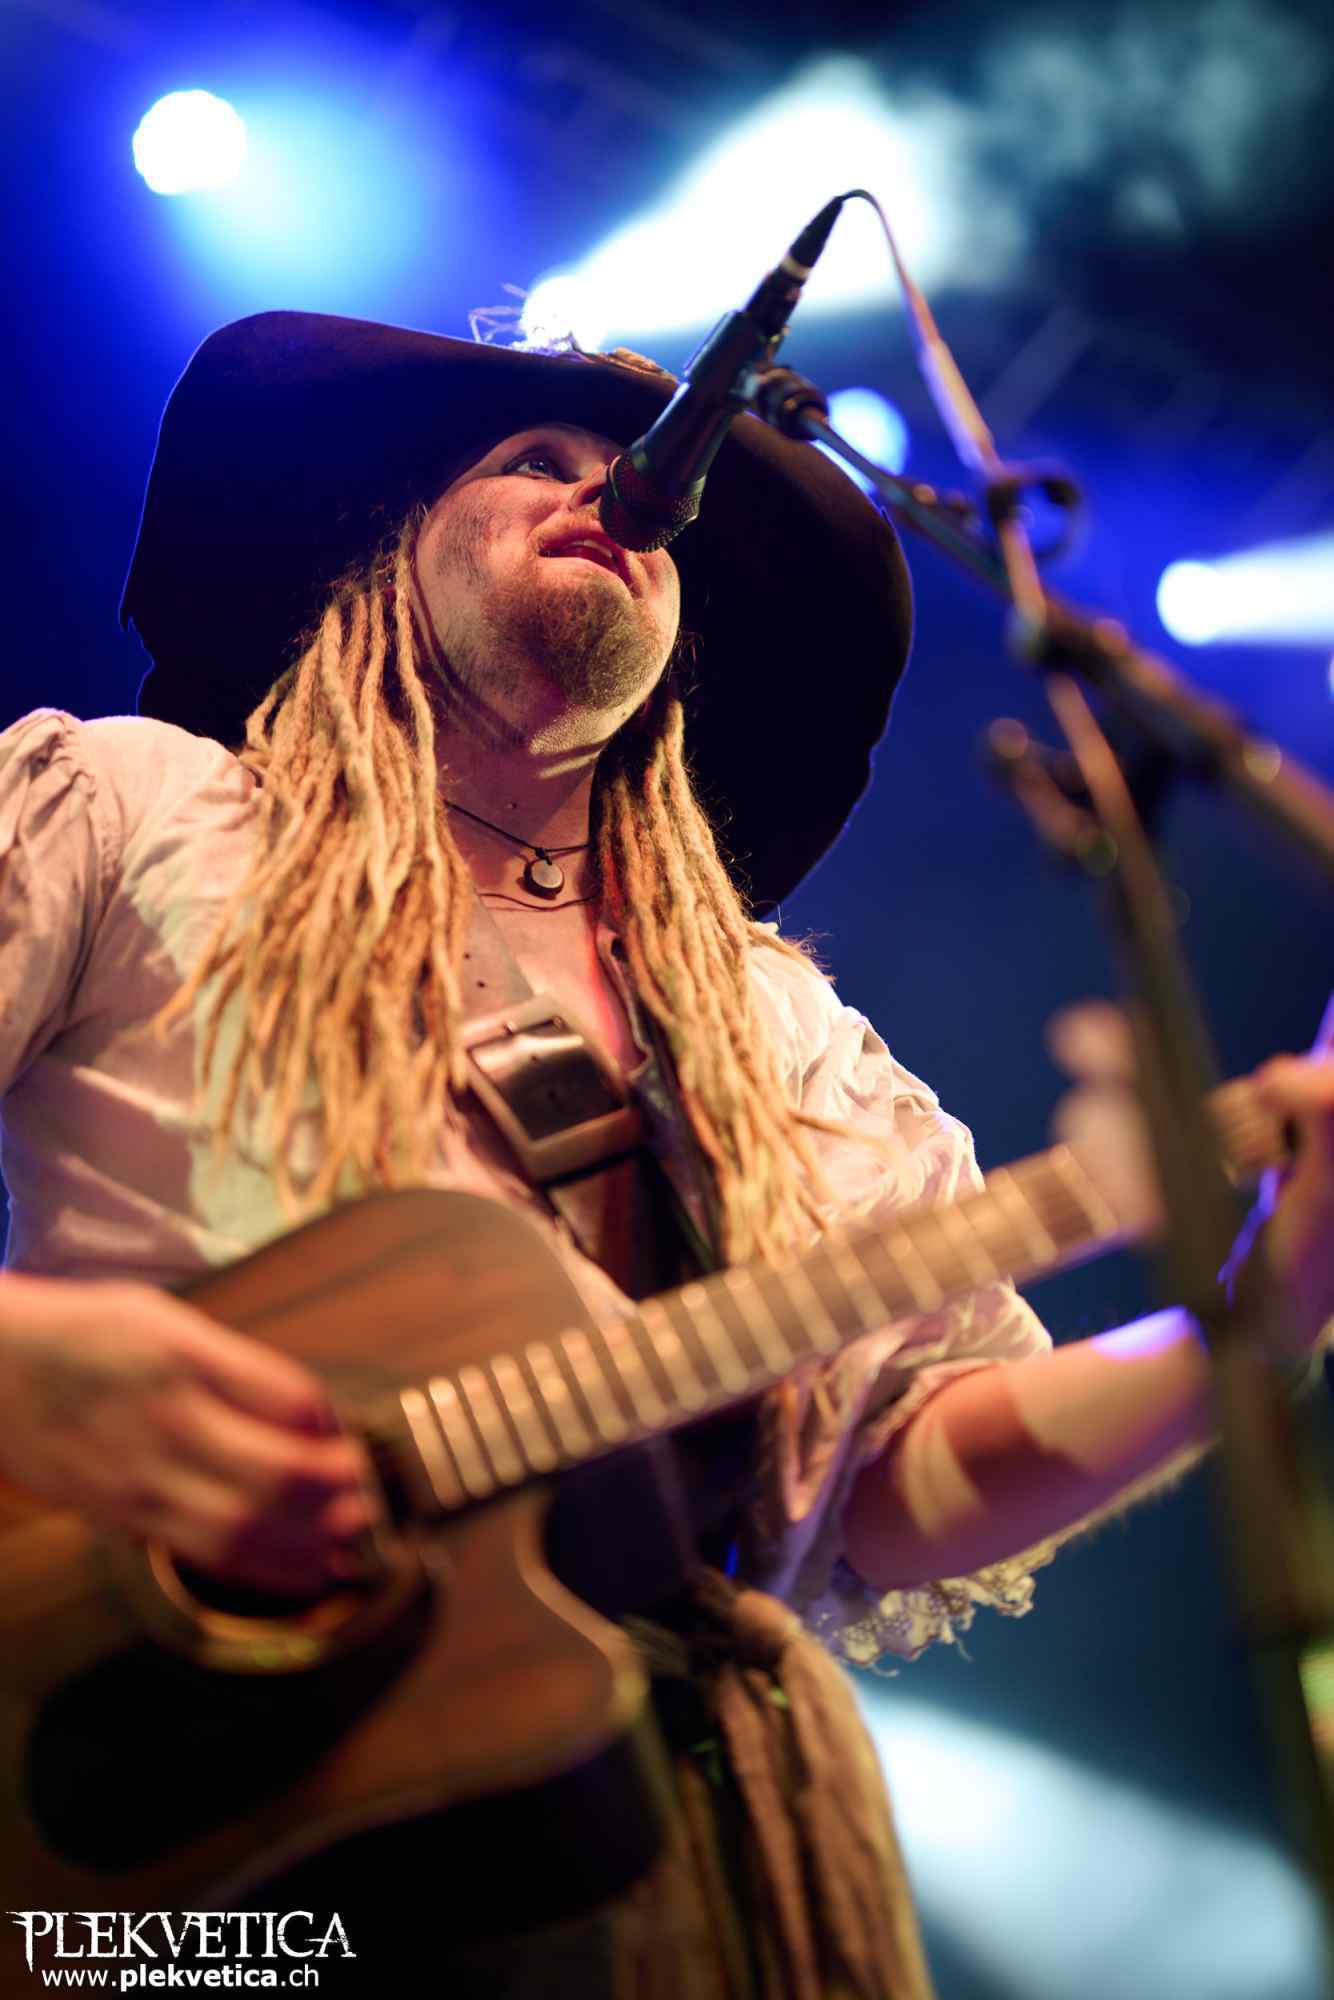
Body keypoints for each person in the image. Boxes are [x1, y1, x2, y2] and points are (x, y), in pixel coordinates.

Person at [0, 310, 1330, 1998]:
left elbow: (895, 1477)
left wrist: (1259, 1310)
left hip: (663, 1860)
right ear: (384, 553)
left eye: (645, 502)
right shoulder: (135, 808)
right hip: (160, 1825)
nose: (612, 498)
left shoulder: (787, 1038)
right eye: (532, 463)